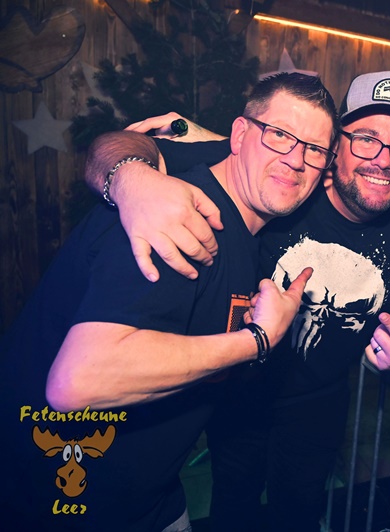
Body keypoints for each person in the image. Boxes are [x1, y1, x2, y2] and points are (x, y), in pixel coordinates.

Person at [82, 71, 390, 531]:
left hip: (320, 404)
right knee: (232, 507)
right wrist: (133, 181)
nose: (383, 159)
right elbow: (112, 147)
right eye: (366, 139)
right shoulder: (290, 178)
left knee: (298, 514)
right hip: (239, 395)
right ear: (335, 147)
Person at [0, 72, 336, 531]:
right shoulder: (173, 213)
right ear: (240, 135)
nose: (295, 159)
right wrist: (258, 339)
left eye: (314, 149)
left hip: (147, 498)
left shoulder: (243, 226)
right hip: (55, 504)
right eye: (279, 134)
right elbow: (78, 382)